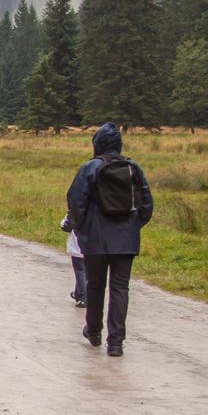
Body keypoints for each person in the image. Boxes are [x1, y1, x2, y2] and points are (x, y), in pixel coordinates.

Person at [65, 121, 154, 357]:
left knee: (95, 285)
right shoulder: (133, 167)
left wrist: (79, 227)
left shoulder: (90, 168)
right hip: (126, 239)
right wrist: (134, 226)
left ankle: (94, 330)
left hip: (95, 238)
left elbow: (76, 202)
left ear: (98, 144)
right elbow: (146, 204)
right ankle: (116, 342)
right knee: (120, 288)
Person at [61, 212, 87, 308]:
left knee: (80, 272)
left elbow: (65, 226)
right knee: (86, 272)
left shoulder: (74, 212)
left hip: (77, 248)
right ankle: (78, 293)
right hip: (92, 248)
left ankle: (83, 297)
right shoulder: (95, 211)